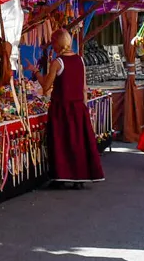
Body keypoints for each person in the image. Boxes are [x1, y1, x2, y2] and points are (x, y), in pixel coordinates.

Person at [41, 28, 104, 187]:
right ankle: (79, 178)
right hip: (78, 107)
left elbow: (46, 86)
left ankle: (61, 177)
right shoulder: (80, 60)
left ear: (57, 43)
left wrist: (35, 72)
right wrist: (84, 106)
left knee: (61, 143)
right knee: (78, 143)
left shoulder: (58, 62)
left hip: (61, 108)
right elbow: (83, 86)